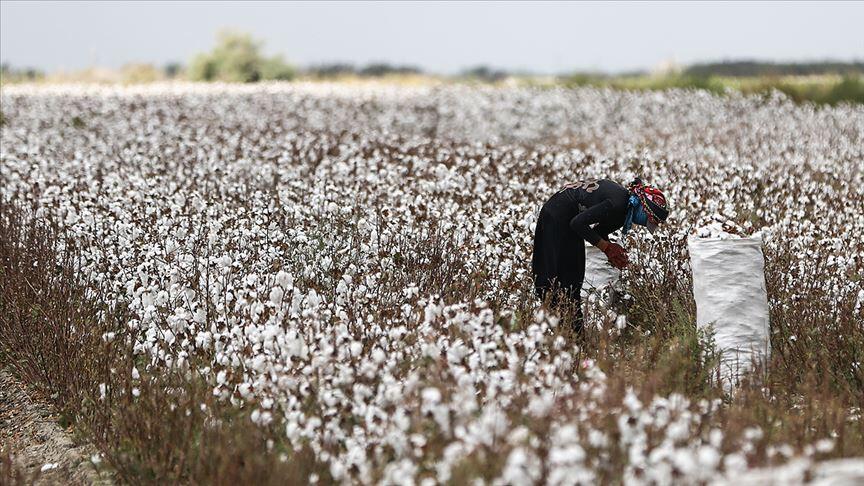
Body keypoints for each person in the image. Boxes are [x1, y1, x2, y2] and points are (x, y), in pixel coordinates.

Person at [531, 177, 669, 332]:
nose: (645, 224)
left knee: (573, 280)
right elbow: (578, 223)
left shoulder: (622, 209)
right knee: (564, 281)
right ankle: (567, 332)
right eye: (650, 220)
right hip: (557, 217)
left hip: (562, 218)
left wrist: (611, 251)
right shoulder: (618, 204)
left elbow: (598, 232)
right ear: (643, 208)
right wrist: (607, 248)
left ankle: (569, 331)